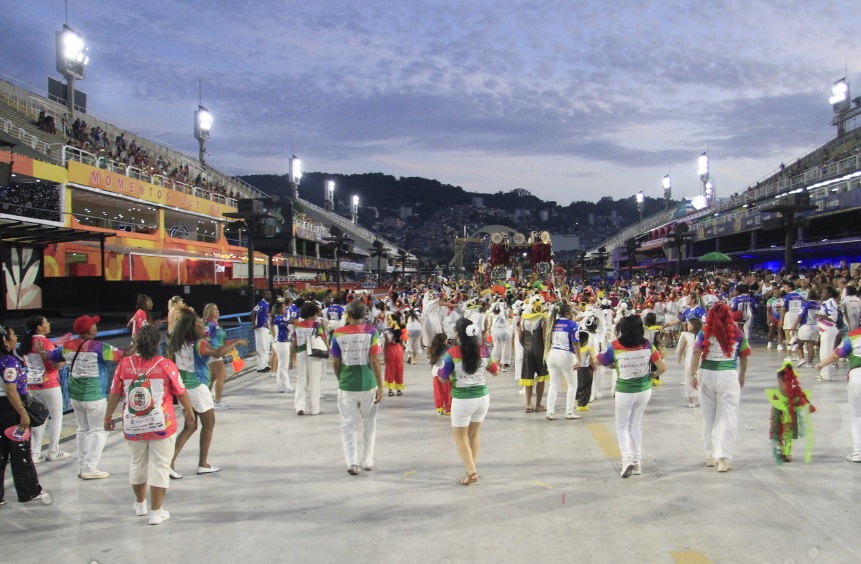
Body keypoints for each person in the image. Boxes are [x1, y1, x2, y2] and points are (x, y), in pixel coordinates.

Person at [104, 325, 195, 525]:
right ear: (156, 343)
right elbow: (180, 392)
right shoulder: (166, 365)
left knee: (137, 462)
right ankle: (156, 512)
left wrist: (108, 417)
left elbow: (115, 393)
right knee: (160, 466)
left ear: (137, 343)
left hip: (133, 424)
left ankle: (140, 504)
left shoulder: (125, 364)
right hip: (161, 424)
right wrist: (189, 411)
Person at [44, 315, 128, 480]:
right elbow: (123, 354)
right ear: (90, 330)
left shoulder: (67, 346)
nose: (96, 327)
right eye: (94, 325)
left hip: (75, 397)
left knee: (82, 430)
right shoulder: (99, 347)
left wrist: (43, 349)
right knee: (99, 431)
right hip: (94, 396)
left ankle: (82, 466)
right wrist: (139, 339)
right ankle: (90, 467)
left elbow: (50, 356)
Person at [167, 309, 247, 477]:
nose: (202, 324)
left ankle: (169, 463)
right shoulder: (199, 344)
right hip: (198, 388)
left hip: (184, 389)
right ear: (191, 327)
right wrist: (237, 341)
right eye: (198, 323)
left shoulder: (179, 342)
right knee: (209, 425)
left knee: (190, 427)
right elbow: (217, 353)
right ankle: (203, 464)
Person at [597, 314, 666, 478]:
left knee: (621, 426)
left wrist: (613, 364)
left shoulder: (615, 346)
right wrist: (651, 375)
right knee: (635, 424)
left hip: (624, 392)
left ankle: (626, 458)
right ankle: (637, 462)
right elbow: (662, 368)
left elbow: (597, 361)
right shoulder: (648, 345)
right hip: (644, 390)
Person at [690, 303, 751, 473]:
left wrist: (692, 374)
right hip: (728, 376)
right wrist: (742, 375)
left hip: (706, 374)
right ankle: (722, 458)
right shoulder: (738, 333)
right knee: (727, 417)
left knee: (707, 416)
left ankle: (709, 455)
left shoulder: (704, 332)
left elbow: (696, 352)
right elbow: (744, 356)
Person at [438, 318, 499, 485]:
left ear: (458, 334)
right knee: (474, 435)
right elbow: (495, 371)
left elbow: (442, 378)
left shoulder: (452, 353)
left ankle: (471, 472)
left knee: (460, 437)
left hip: (463, 400)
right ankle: (470, 471)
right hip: (483, 399)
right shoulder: (484, 350)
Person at [330, 299, 384, 475]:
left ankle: (352, 462)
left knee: (348, 425)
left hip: (347, 385)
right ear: (365, 314)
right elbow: (375, 360)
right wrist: (380, 386)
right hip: (368, 384)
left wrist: (340, 379)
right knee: (369, 424)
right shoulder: (372, 332)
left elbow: (335, 361)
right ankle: (367, 460)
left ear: (348, 315)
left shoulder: (338, 333)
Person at [0, 325, 52, 505]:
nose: (16, 338)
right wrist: (23, 413)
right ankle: (28, 491)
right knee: (20, 450)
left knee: (1, 452)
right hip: (11, 409)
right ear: (5, 341)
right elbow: (11, 390)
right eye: (13, 335)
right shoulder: (9, 362)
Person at [20, 316, 69, 464]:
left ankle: (34, 453)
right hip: (50, 384)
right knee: (56, 417)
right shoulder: (45, 342)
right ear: (39, 327)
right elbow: (55, 365)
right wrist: (65, 357)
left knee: (39, 418)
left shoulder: (25, 343)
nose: (48, 324)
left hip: (32, 385)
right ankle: (53, 451)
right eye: (46, 323)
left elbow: (26, 363)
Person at [815, 325, 861, 462]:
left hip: (857, 377)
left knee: (857, 415)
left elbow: (836, 355)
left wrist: (820, 365)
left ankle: (858, 452)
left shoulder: (853, 336)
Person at [767, 362, 815, 465]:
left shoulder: (778, 393)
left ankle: (784, 451)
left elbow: (774, 406)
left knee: (777, 436)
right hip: (791, 419)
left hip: (778, 419)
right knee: (788, 437)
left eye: (779, 381)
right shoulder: (795, 394)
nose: (778, 383)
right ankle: (787, 453)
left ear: (781, 381)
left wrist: (770, 417)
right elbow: (802, 403)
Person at [544, 303, 582, 420]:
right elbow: (575, 343)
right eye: (571, 312)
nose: (573, 314)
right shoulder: (572, 325)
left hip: (552, 354)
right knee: (572, 384)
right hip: (565, 355)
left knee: (553, 385)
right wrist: (579, 359)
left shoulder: (553, 323)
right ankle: (569, 412)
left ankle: (550, 412)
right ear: (567, 313)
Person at [289, 301, 327, 416]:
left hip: (301, 353)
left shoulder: (297, 325)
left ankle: (300, 406)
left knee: (301, 381)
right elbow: (323, 339)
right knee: (314, 381)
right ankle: (314, 409)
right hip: (314, 354)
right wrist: (328, 350)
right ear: (312, 313)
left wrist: (291, 358)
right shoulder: (316, 325)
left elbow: (294, 343)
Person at [519, 298, 550, 412]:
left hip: (527, 350)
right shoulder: (542, 320)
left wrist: (526, 347)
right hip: (539, 350)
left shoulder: (523, 321)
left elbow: (520, 338)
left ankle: (528, 404)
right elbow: (544, 338)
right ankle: (538, 404)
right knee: (541, 377)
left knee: (528, 377)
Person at [202, 303, 232, 409]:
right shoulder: (209, 324)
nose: (217, 311)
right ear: (209, 312)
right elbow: (205, 339)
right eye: (214, 309)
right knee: (221, 376)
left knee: (213, 377)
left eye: (217, 309)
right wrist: (212, 351)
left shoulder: (215, 323)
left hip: (218, 352)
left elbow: (218, 338)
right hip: (214, 353)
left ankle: (205, 399)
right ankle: (217, 401)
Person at [677, 318, 704, 408]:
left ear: (693, 325)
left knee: (689, 377)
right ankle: (702, 398)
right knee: (700, 377)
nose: (687, 326)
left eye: (689, 324)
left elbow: (682, 348)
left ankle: (691, 401)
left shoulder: (687, 336)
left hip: (690, 358)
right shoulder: (702, 335)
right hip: (701, 358)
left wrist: (680, 356)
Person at [818, 286, 841, 382]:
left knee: (826, 353)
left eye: (824, 292)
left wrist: (820, 316)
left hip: (828, 330)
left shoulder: (829, 302)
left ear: (829, 294)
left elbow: (833, 317)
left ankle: (827, 376)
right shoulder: (828, 302)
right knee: (823, 352)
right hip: (826, 330)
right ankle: (823, 374)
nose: (822, 294)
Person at [271, 300, 294, 394]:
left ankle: (283, 385)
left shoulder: (278, 318)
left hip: (282, 343)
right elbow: (290, 321)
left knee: (283, 365)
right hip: (281, 343)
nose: (285, 309)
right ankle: (282, 386)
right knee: (283, 365)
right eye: (284, 307)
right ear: (280, 309)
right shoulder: (279, 318)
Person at [428, 333, 451, 415]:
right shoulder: (448, 349)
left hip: (435, 372)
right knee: (448, 392)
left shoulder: (434, 349)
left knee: (438, 392)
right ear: (444, 341)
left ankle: (439, 408)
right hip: (445, 373)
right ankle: (448, 409)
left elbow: (432, 363)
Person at [383, 312, 406, 396]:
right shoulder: (400, 330)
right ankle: (399, 390)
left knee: (390, 369)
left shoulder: (387, 332)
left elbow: (386, 344)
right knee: (399, 369)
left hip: (390, 350)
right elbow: (402, 342)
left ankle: (390, 390)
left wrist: (384, 355)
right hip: (398, 350)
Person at [575, 331, 596, 412]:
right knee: (586, 387)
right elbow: (591, 361)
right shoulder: (588, 349)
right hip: (585, 369)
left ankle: (577, 399)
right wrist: (594, 367)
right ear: (586, 341)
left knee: (578, 384)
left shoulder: (575, 349)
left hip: (577, 369)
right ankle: (582, 405)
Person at [251, 290, 272, 372]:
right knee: (261, 348)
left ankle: (265, 365)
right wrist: (254, 324)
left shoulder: (267, 304)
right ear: (263, 295)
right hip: (261, 328)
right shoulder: (261, 304)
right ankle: (260, 367)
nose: (269, 295)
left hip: (266, 328)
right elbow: (252, 313)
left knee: (266, 348)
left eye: (269, 294)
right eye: (267, 294)